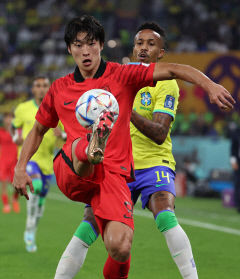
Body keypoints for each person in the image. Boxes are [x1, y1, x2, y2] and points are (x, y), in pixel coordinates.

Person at [12, 15, 234, 279]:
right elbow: (38, 129)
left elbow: (173, 70)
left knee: (120, 246)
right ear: (69, 49)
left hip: (113, 177)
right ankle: (93, 143)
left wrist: (209, 85)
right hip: (74, 171)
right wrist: (20, 166)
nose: (85, 51)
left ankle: (97, 142)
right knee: (82, 145)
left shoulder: (123, 75)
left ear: (102, 45)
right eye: (78, 45)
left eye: (91, 44)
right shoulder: (60, 88)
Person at [54, 22, 199, 279]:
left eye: (150, 44)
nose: (143, 48)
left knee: (164, 216)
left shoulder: (166, 84)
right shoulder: (119, 75)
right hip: (116, 167)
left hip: (153, 162)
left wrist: (121, 110)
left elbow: (159, 133)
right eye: (139, 43)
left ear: (161, 53)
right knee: (91, 226)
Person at [12, 76, 64, 252]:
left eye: (44, 86)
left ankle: (32, 229)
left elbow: (66, 135)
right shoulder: (23, 109)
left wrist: (62, 136)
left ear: (49, 88)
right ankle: (29, 229)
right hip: (29, 160)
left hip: (47, 163)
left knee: (41, 203)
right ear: (33, 89)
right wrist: (15, 137)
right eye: (38, 86)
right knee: (36, 185)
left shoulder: (58, 109)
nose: (41, 89)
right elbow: (14, 126)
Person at [0, 112, 19, 213]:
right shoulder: (1, 132)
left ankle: (15, 199)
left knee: (16, 185)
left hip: (14, 162)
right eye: (7, 118)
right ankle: (6, 205)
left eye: (11, 118)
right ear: (4, 120)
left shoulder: (16, 132)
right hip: (3, 161)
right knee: (3, 184)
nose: (9, 120)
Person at [230, 126, 240, 213]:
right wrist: (233, 161)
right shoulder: (236, 132)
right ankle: (238, 204)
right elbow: (233, 148)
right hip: (238, 161)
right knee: (238, 182)